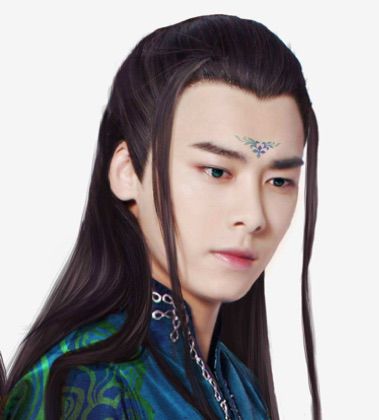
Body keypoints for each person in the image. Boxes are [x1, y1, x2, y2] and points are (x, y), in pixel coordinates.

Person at [1, 13, 320, 420]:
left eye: (279, 181)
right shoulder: (86, 385)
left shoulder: (238, 383)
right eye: (216, 171)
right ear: (127, 172)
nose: (254, 216)